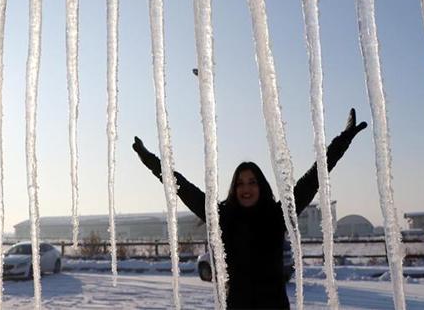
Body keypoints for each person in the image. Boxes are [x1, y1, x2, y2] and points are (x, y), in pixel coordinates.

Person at [132, 108, 367, 309]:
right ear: (234, 188)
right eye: (240, 183)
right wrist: (150, 160)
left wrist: (343, 139)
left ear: (261, 186)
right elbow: (181, 186)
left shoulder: (278, 215)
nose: (246, 188)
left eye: (252, 182)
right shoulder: (222, 217)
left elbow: (313, 177)